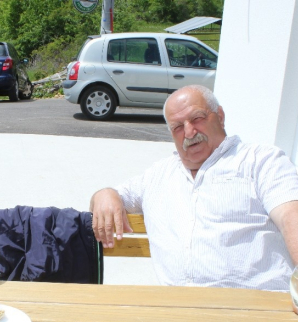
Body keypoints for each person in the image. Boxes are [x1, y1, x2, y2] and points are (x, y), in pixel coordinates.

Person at [90, 85, 298, 291]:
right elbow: (116, 195)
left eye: (197, 118)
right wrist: (105, 194)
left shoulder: (260, 161)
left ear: (220, 116)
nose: (189, 132)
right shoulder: (158, 175)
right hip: (182, 309)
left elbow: (291, 216)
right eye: (178, 127)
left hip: (257, 306)